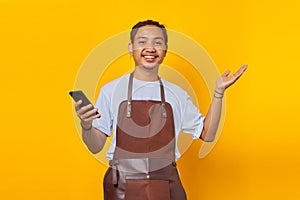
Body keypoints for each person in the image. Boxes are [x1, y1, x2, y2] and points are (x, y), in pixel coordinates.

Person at [75, 20, 247, 200]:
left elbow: (207, 134)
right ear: (130, 47)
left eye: (157, 42)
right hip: (121, 186)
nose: (150, 48)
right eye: (142, 42)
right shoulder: (110, 90)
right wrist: (86, 126)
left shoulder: (177, 94)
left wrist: (218, 93)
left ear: (165, 49)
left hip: (167, 185)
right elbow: (96, 146)